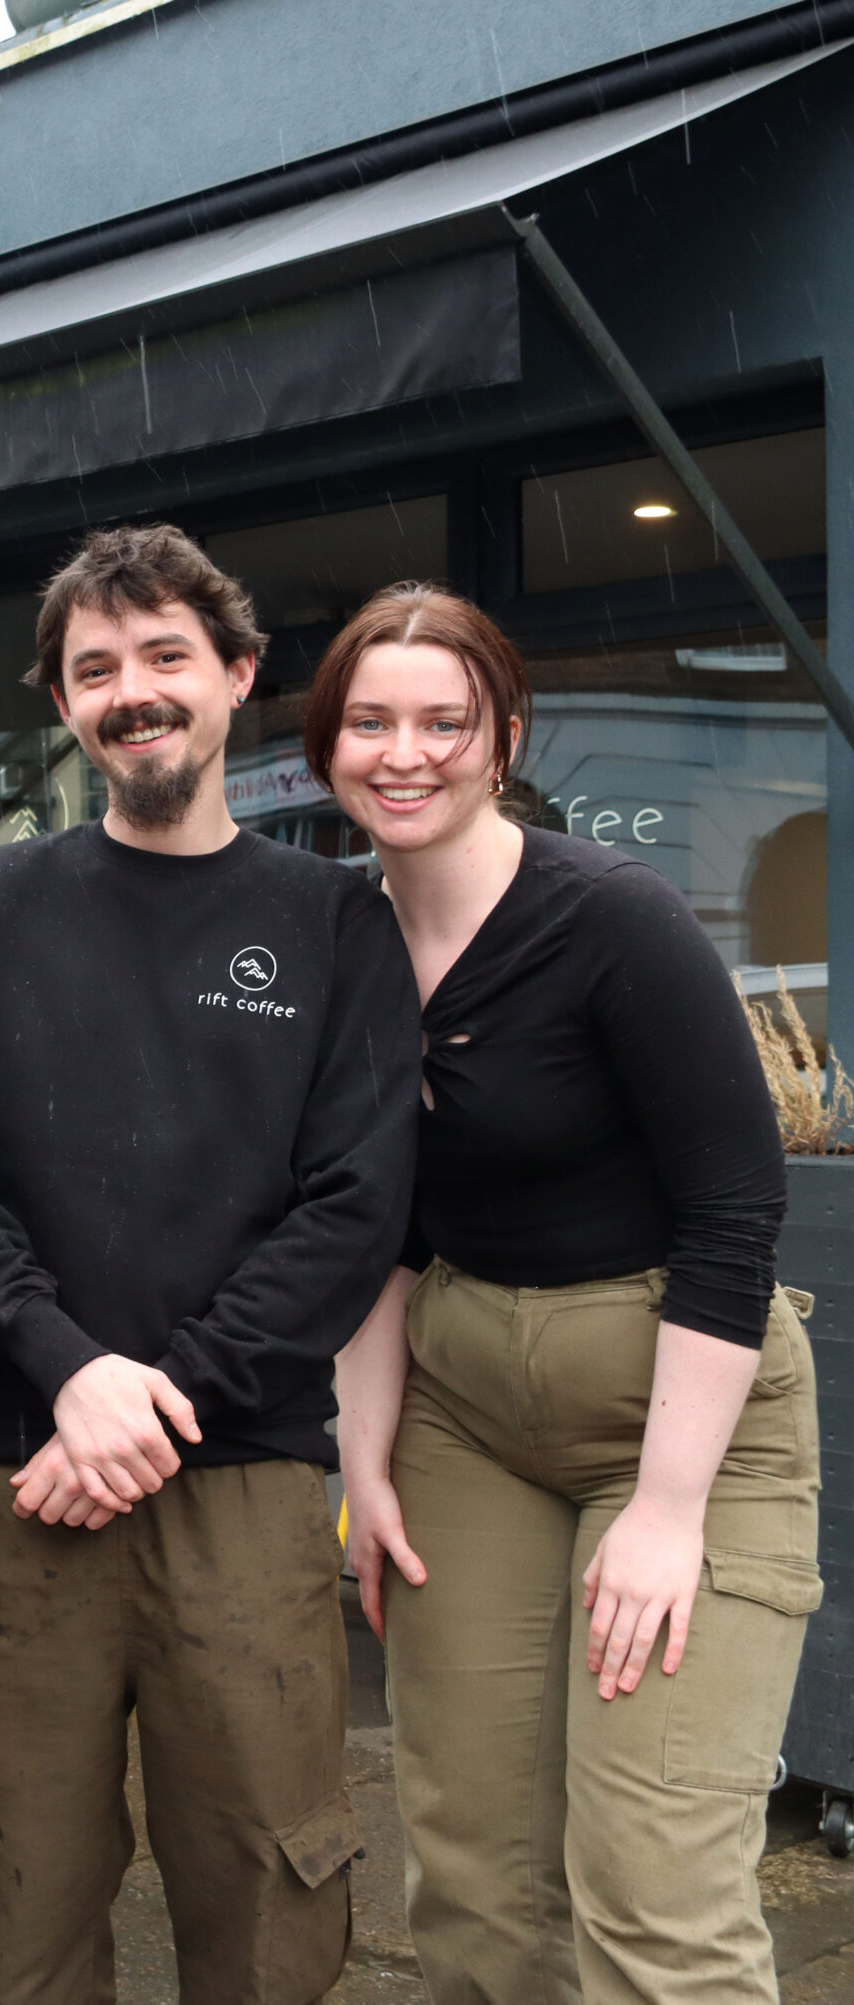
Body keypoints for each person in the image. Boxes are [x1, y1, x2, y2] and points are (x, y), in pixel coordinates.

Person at [0, 522, 420, 2005]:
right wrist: (71, 1375)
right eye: (95, 668)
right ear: (64, 704)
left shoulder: (334, 920)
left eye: (166, 657)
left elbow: (351, 1208)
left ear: (239, 675)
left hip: (244, 1483)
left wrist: (155, 1399)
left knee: (270, 1902)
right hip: (13, 1481)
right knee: (22, 1901)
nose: (133, 691)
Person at [319, 584, 818, 2004]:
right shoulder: (343, 945)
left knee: (652, 1888)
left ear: (503, 737)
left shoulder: (616, 919)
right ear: (325, 747)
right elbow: (376, 1231)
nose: (403, 751)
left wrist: (667, 1510)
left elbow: (737, 1212)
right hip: (467, 1416)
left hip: (678, 1418)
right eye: (371, 720)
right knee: (473, 1884)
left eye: (443, 720)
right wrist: (364, 1463)